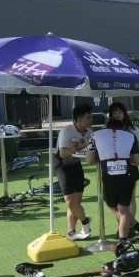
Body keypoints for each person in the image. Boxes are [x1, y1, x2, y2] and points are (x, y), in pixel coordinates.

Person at [86, 109, 139, 241]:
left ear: (106, 128)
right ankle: (126, 240)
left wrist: (105, 157)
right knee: (124, 210)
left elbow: (89, 160)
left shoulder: (95, 136)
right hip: (127, 177)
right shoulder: (130, 136)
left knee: (116, 208)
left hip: (109, 179)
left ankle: (130, 237)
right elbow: (137, 161)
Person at [108, 102, 139, 248]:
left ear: (124, 113)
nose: (117, 114)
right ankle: (124, 226)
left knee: (130, 199)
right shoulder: (107, 130)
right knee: (116, 203)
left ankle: (129, 228)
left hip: (130, 167)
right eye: (114, 112)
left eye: (119, 111)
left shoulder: (132, 129)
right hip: (112, 169)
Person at [56, 103, 94, 240]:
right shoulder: (67, 130)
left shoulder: (89, 132)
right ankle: (85, 221)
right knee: (70, 203)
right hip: (62, 166)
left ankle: (71, 232)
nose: (91, 120)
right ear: (79, 119)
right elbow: (63, 153)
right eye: (88, 117)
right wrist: (82, 146)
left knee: (77, 201)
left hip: (77, 165)